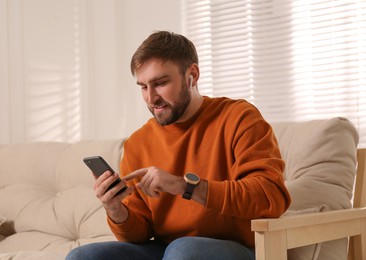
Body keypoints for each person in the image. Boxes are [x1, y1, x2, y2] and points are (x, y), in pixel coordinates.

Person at [66, 31, 291, 260]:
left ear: (192, 75)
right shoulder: (137, 143)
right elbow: (139, 234)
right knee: (83, 256)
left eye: (160, 83)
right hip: (167, 251)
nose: (151, 98)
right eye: (143, 87)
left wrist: (184, 186)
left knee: (183, 251)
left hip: (236, 249)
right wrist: (115, 209)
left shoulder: (239, 118)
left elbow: (271, 197)